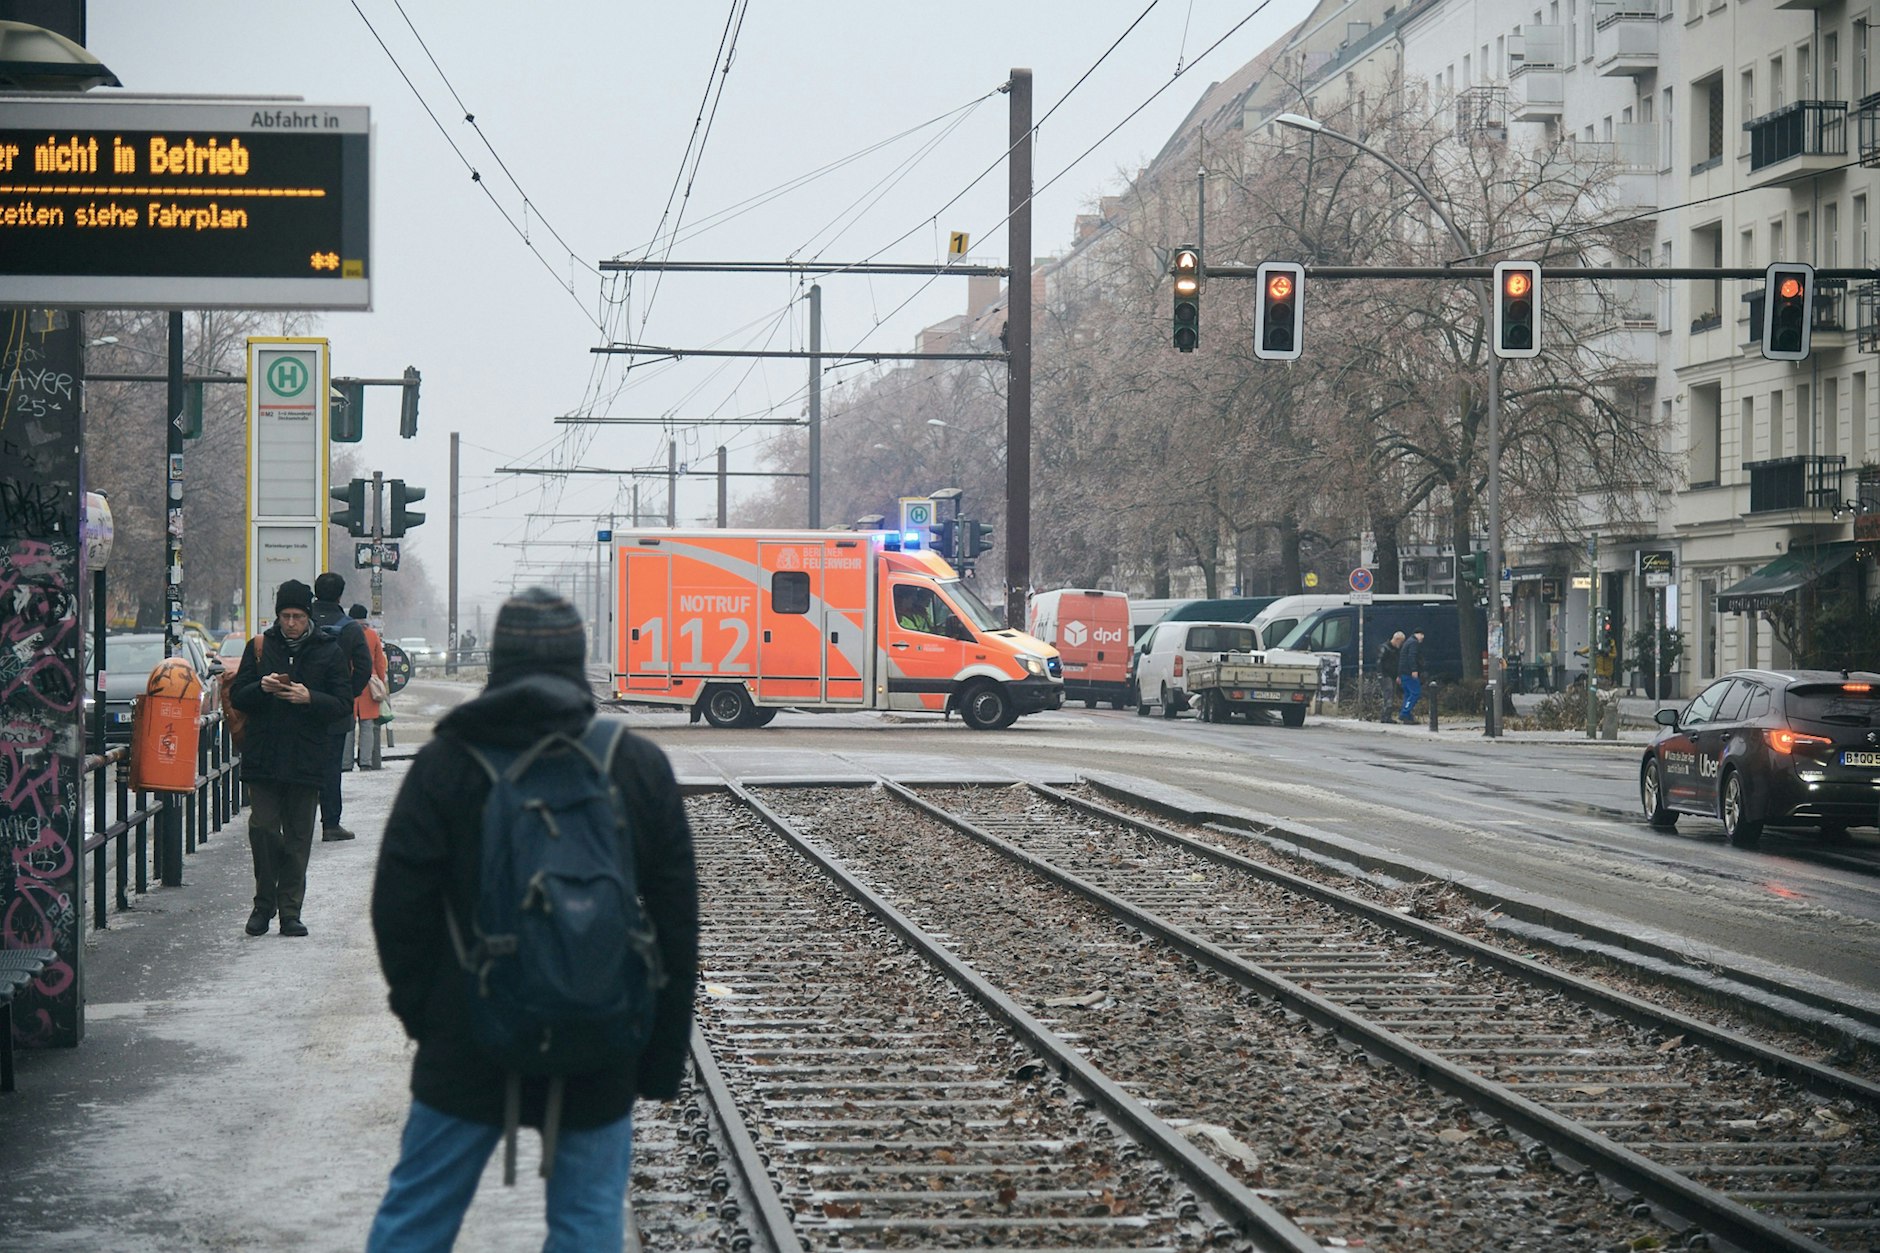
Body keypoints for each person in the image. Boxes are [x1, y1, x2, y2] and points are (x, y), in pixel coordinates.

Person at [367, 588, 698, 1251]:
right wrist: (656, 1059)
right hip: (599, 1037)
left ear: (500, 663)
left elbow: (397, 907)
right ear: (578, 662)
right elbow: (677, 926)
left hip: (468, 1036)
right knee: (586, 1227)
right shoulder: (635, 765)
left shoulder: (447, 762)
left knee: (416, 1222)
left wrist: (428, 1017)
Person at [229, 579, 353, 938]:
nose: (291, 623)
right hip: (264, 756)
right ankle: (262, 905)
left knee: (299, 839)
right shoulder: (260, 647)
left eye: (298, 616)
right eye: (285, 615)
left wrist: (309, 698)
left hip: (307, 757)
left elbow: (343, 704)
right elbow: (239, 697)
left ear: (308, 615)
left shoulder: (328, 651)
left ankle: (290, 912)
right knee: (263, 830)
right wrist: (262, 688)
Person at [311, 572, 372, 840]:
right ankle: (331, 824)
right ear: (340, 596)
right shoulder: (350, 628)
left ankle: (292, 821)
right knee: (331, 767)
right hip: (335, 710)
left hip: (301, 704)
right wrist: (347, 694)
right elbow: (364, 666)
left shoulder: (304, 621)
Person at [351, 603, 389, 771]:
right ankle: (365, 762)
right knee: (367, 726)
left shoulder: (346, 634)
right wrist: (381, 681)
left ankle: (345, 762)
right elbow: (380, 662)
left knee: (348, 725)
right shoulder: (373, 636)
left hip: (349, 682)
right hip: (370, 684)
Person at [1398, 628, 1426, 723]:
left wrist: (1399, 674)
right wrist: (1414, 670)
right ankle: (1405, 713)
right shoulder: (1414, 643)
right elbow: (1412, 656)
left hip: (1403, 672)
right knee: (1415, 693)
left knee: (1408, 694)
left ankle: (1406, 714)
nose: (1423, 637)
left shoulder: (1407, 642)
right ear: (1418, 634)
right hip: (1409, 673)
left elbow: (1402, 659)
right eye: (1422, 635)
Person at [1376, 631, 1404, 724]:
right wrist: (1380, 674)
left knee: (1390, 695)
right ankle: (1385, 716)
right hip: (1385, 675)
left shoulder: (1395, 650)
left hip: (1392, 675)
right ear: (1397, 640)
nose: (1401, 644)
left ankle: (1387, 716)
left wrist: (1398, 675)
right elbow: (1379, 662)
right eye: (1401, 642)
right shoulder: (1385, 648)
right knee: (1388, 694)